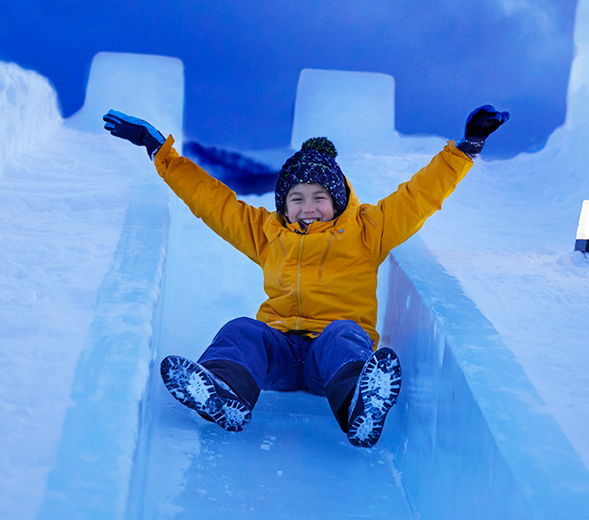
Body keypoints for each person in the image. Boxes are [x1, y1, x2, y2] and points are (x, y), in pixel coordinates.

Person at [103, 104, 508, 447]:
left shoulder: (368, 230)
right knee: (242, 330)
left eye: (319, 197)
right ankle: (226, 393)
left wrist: (466, 149)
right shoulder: (267, 233)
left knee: (344, 334)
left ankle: (358, 404)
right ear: (284, 203)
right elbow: (211, 200)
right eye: (296, 199)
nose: (308, 206)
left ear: (338, 199)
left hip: (329, 360)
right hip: (278, 349)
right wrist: (161, 153)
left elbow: (419, 196)